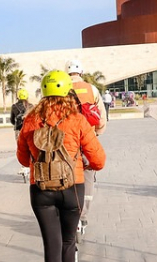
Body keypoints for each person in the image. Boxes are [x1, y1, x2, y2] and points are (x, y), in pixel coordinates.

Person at [16, 70, 106, 262]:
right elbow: (99, 160)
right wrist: (83, 161)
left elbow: (23, 160)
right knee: (68, 241)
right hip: (72, 188)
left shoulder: (31, 120)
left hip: (41, 190)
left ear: (43, 93)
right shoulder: (77, 119)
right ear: (69, 92)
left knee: (51, 243)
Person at [67, 59, 107, 238]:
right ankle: (83, 216)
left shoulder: (61, 88)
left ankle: (69, 214)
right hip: (88, 137)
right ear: (81, 72)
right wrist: (97, 132)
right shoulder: (91, 89)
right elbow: (101, 114)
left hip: (68, 140)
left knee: (69, 175)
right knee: (88, 175)